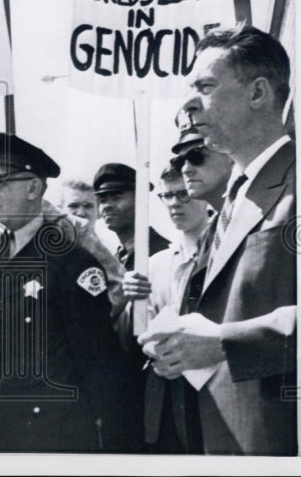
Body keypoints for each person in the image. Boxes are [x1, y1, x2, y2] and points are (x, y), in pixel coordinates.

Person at [139, 24, 297, 455]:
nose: (188, 102)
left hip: (282, 443)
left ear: (258, 93)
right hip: (220, 439)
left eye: (205, 87)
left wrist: (222, 343)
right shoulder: (234, 194)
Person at [0, 132, 141, 452]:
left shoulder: (72, 262)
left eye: (0, 184)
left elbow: (97, 362)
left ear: (33, 188)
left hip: (47, 432)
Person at [122, 166, 212, 452]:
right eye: (167, 196)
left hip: (211, 392)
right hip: (165, 398)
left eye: (183, 195)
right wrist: (130, 306)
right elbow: (137, 335)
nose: (174, 203)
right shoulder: (156, 264)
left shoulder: (223, 254)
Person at [93, 163, 172, 270]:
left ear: (140, 201)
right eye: (103, 200)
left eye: (116, 198)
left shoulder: (162, 252)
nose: (107, 206)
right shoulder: (115, 257)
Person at [170, 116, 233, 213]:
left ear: (230, 155)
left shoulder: (258, 213)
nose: (185, 170)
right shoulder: (218, 225)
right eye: (180, 161)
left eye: (196, 157)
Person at [60, 178, 125, 261]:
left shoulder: (111, 250)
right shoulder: (47, 247)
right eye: (73, 206)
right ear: (60, 211)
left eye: (88, 206)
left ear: (98, 212)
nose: (81, 213)